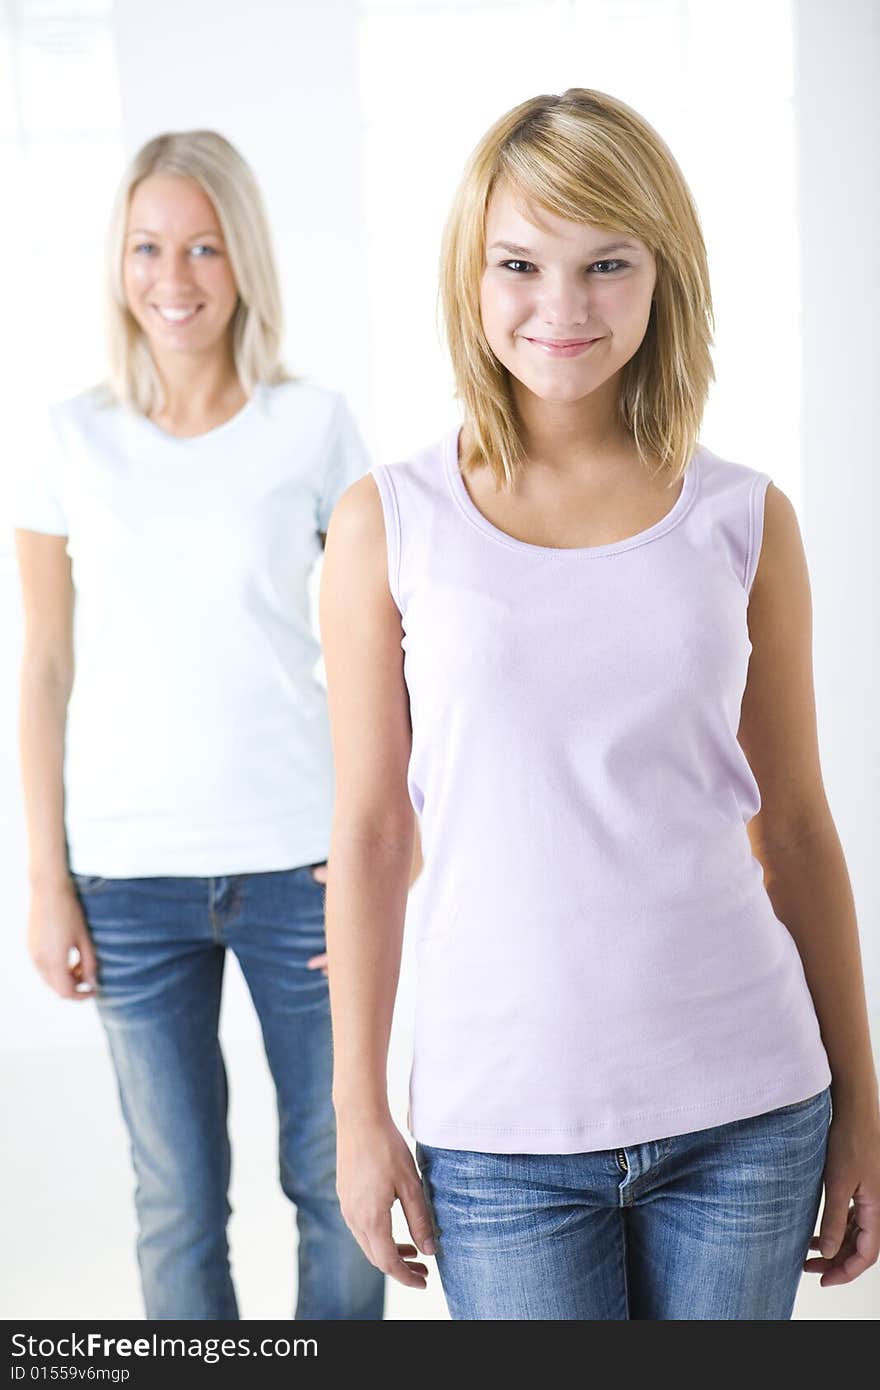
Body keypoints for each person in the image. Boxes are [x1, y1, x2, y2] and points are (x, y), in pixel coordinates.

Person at [317, 89, 880, 1319]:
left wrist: (863, 1108)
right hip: (498, 1133)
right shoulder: (388, 525)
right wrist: (358, 1117)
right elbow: (368, 836)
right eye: (520, 264)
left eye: (605, 264)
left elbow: (792, 827)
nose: (561, 308)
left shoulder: (744, 519)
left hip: (748, 1110)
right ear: (472, 277)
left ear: (661, 274)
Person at [13, 129, 395, 1321]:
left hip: (301, 866)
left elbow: (386, 653)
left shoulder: (314, 427)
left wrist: (382, 854)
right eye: (146, 248)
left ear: (243, 262)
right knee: (176, 1198)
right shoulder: (69, 438)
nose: (172, 278)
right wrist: (45, 878)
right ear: (117, 262)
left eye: (202, 248)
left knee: (339, 1184)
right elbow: (42, 666)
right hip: (126, 877)